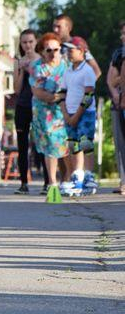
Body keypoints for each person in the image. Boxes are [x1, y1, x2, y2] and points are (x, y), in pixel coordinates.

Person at [56, 36, 98, 196]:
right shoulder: (68, 71)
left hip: (85, 113)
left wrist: (76, 116)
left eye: (71, 49)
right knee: (73, 145)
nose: (68, 53)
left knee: (84, 144)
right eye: (67, 50)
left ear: (81, 51)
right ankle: (77, 176)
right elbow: (62, 93)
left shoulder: (87, 71)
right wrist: (66, 113)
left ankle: (86, 177)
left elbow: (88, 96)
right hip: (70, 113)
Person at [29, 33, 69, 193]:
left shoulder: (66, 65)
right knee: (51, 145)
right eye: (49, 50)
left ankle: (66, 181)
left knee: (66, 147)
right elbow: (39, 93)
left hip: (65, 111)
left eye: (56, 49)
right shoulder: (37, 67)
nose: (53, 53)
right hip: (45, 114)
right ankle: (52, 183)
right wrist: (60, 96)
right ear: (42, 51)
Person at [12, 29, 40, 195]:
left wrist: (31, 68)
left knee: (41, 143)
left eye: (30, 41)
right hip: (22, 105)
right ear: (20, 44)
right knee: (22, 145)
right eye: (24, 42)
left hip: (39, 105)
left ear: (36, 42)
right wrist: (22, 69)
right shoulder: (17, 61)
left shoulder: (41, 60)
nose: (28, 45)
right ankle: (23, 183)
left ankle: (47, 182)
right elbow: (16, 89)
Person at [53, 14, 102, 80]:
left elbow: (96, 71)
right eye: (54, 26)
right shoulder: (50, 46)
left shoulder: (77, 43)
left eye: (59, 27)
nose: (55, 30)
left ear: (68, 28)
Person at [107, 21, 125, 195]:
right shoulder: (119, 54)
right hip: (120, 103)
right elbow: (111, 80)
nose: (122, 37)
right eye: (122, 33)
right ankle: (124, 182)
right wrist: (117, 95)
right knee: (121, 144)